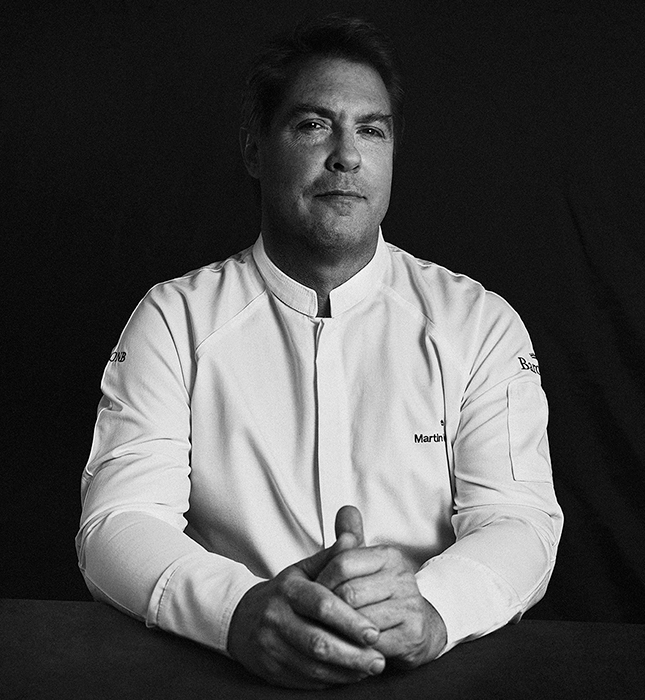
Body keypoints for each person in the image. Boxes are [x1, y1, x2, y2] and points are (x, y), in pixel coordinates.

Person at [76, 15, 563, 690]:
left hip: (429, 679)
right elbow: (116, 522)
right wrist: (238, 612)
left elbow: (519, 519)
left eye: (372, 130)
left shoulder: (478, 324)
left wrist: (430, 609)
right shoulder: (174, 320)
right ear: (254, 149)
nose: (347, 156)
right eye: (313, 125)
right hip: (231, 677)